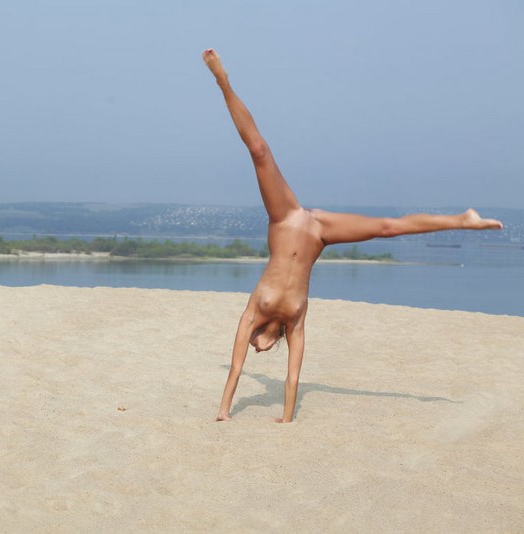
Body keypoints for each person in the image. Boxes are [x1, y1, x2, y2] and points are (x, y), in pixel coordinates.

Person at [202, 49, 503, 423]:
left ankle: (222, 81)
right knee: (387, 229)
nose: (257, 351)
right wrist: (286, 417)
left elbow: (234, 368)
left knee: (260, 151)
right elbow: (293, 374)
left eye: (254, 347)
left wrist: (223, 408)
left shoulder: (252, 313)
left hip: (286, 220)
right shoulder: (295, 324)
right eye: (260, 349)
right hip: (318, 234)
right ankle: (463, 220)